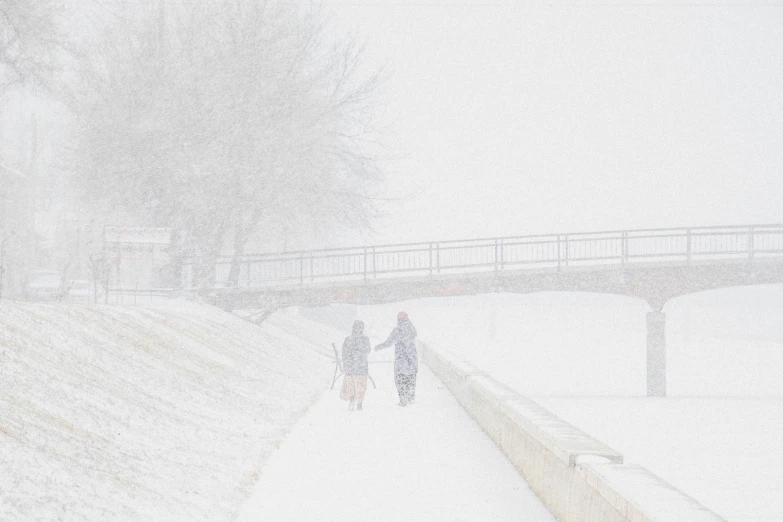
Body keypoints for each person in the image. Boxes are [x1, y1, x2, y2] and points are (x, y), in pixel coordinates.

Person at [375, 311, 418, 407]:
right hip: (412, 358)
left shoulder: (397, 330)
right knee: (411, 377)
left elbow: (389, 342)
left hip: (401, 359)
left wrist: (378, 347)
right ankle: (410, 395)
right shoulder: (412, 329)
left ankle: (403, 398)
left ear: (398, 319)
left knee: (400, 378)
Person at [340, 320, 371, 411]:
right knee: (361, 385)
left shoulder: (348, 339)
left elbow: (344, 354)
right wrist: (359, 353)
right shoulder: (365, 339)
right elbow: (368, 351)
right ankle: (360, 403)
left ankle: (352, 401)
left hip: (350, 367)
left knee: (351, 385)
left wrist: (345, 365)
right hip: (362, 367)